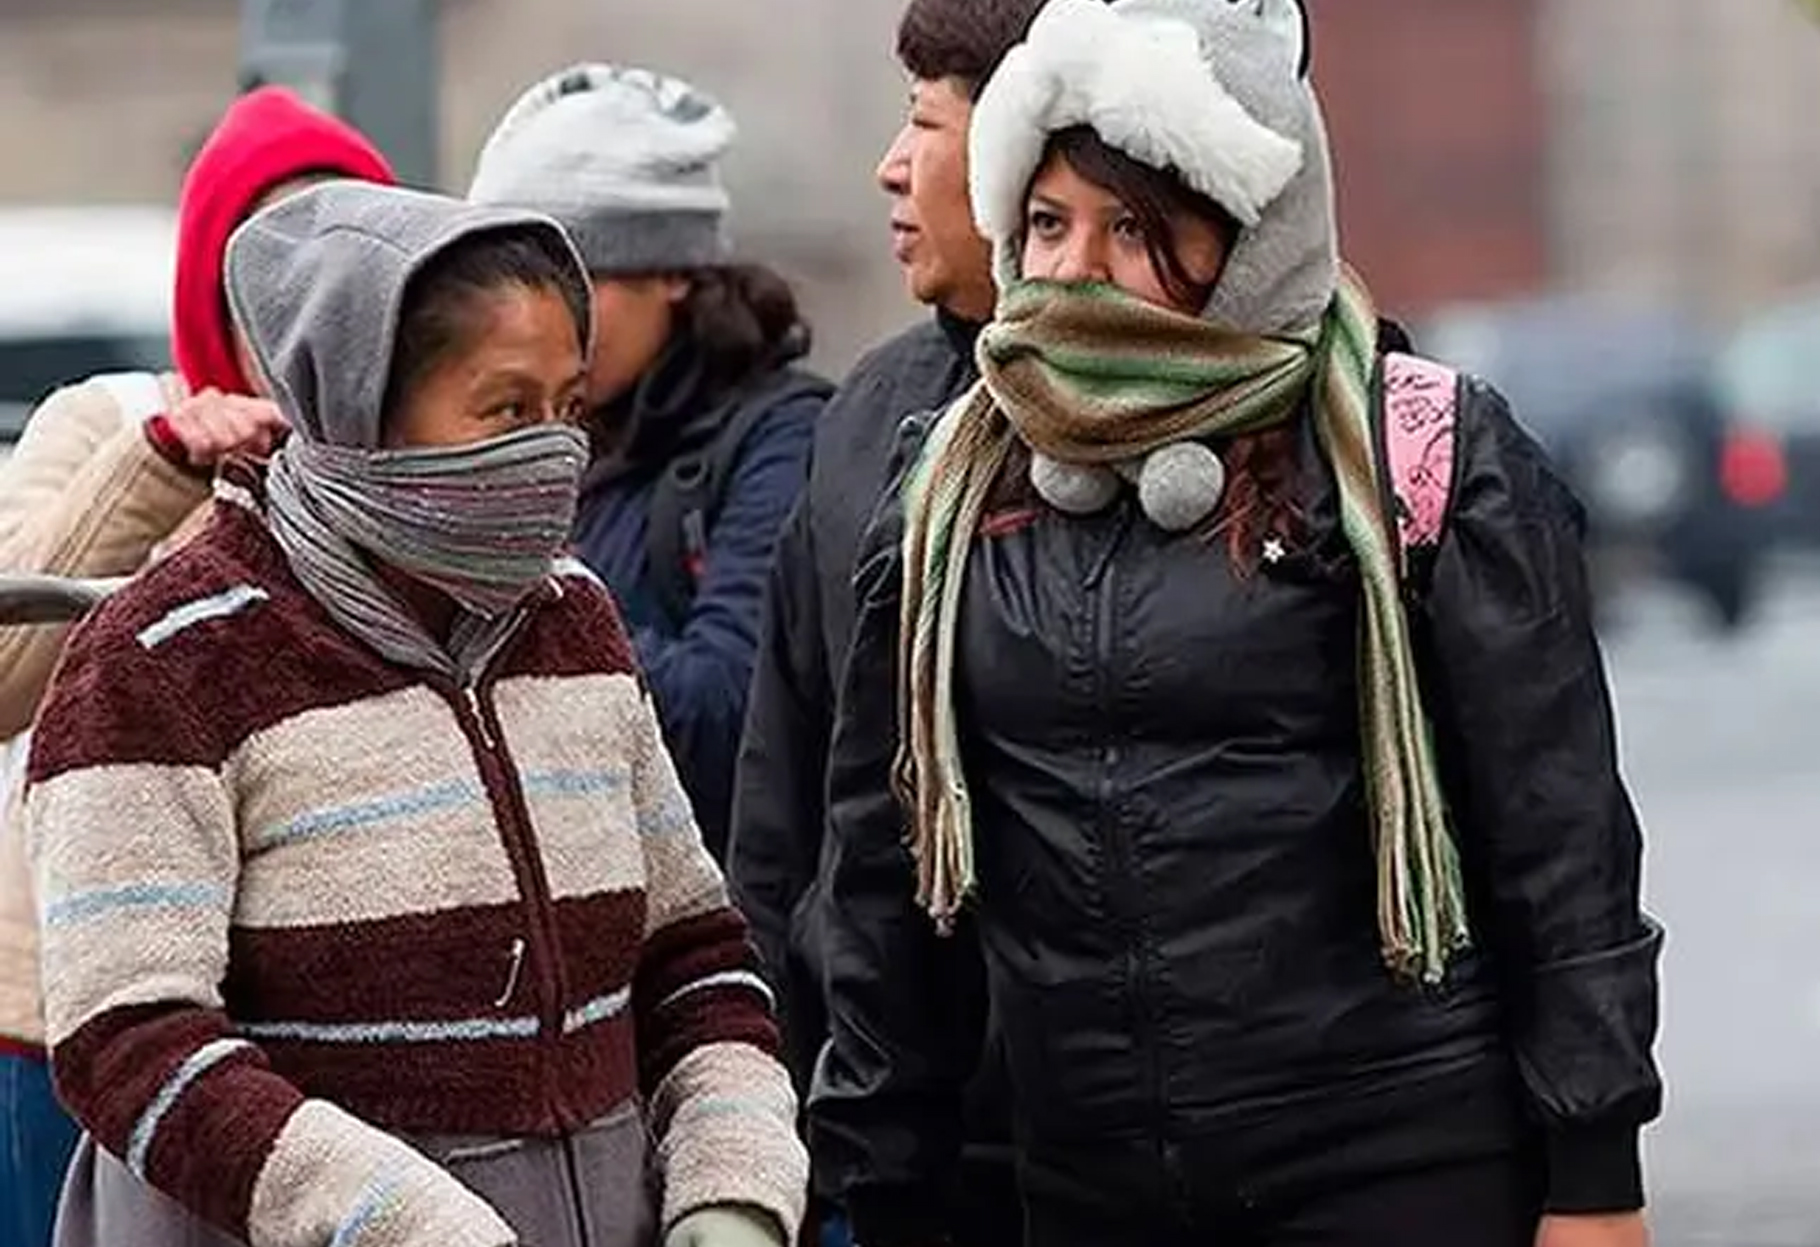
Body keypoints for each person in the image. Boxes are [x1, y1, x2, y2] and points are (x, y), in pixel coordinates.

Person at [810, 1, 1664, 1246]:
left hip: (1400, 1169)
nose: (1071, 270)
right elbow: (886, 886)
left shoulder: (1412, 455)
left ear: (1249, 247)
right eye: (1046, 224)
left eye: (1134, 231)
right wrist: (874, 1185)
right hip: (1090, 1190)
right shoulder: (949, 488)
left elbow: (1561, 844)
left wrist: (1594, 1178)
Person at [24, 181, 805, 1247]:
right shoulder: (167, 658)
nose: (550, 452)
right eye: (503, 410)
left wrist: (732, 1185)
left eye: (567, 408)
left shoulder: (572, 621)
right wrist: (401, 1220)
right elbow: (131, 1040)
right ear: (359, 407)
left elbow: (691, 955)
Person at [0, 86, 393, 1247]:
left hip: (331, 1032)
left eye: (343, 247)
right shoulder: (109, 423)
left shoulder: (408, 460)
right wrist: (163, 467)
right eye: (267, 250)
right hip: (67, 1025)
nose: (304, 285)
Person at [725, 2, 1055, 1242]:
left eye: (925, 122)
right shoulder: (869, 419)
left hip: (1103, 1143)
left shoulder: (1166, 434)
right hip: (872, 1134)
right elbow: (783, 799)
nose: (888, 164)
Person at [468, 64, 830, 862]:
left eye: (573, 283)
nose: (536, 326)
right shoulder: (528, 431)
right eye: (506, 292)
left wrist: (514, 570)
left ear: (673, 271)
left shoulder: (784, 440)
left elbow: (727, 717)